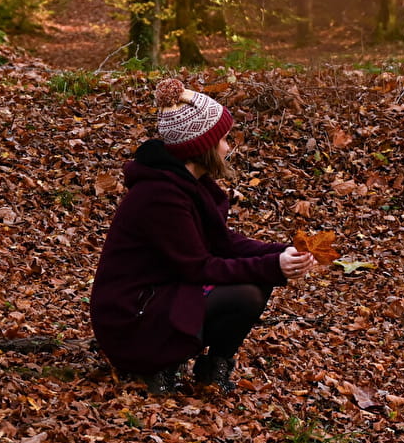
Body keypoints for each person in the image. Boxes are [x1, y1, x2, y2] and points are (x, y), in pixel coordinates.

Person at [90, 78, 317, 395]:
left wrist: (283, 252)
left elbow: (224, 243)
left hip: (161, 294)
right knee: (246, 292)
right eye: (223, 139)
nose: (228, 147)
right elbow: (199, 266)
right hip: (132, 318)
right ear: (201, 146)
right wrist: (272, 265)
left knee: (260, 276)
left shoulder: (189, 184)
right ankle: (158, 364)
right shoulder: (160, 196)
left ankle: (214, 368)